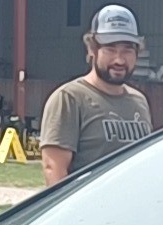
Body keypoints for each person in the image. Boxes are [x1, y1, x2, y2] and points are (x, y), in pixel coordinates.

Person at [39, 4, 155, 186]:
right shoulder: (69, 98)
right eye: (110, 49)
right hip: (88, 211)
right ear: (92, 50)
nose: (119, 59)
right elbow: (54, 169)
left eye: (127, 49)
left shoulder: (139, 101)